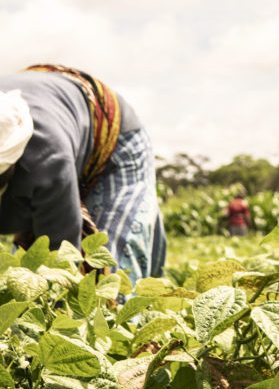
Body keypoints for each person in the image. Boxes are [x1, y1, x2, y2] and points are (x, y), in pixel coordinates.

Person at [0, 64, 166, 286]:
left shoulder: (46, 160)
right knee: (19, 272)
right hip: (57, 113)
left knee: (108, 278)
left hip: (113, 138)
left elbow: (61, 256)